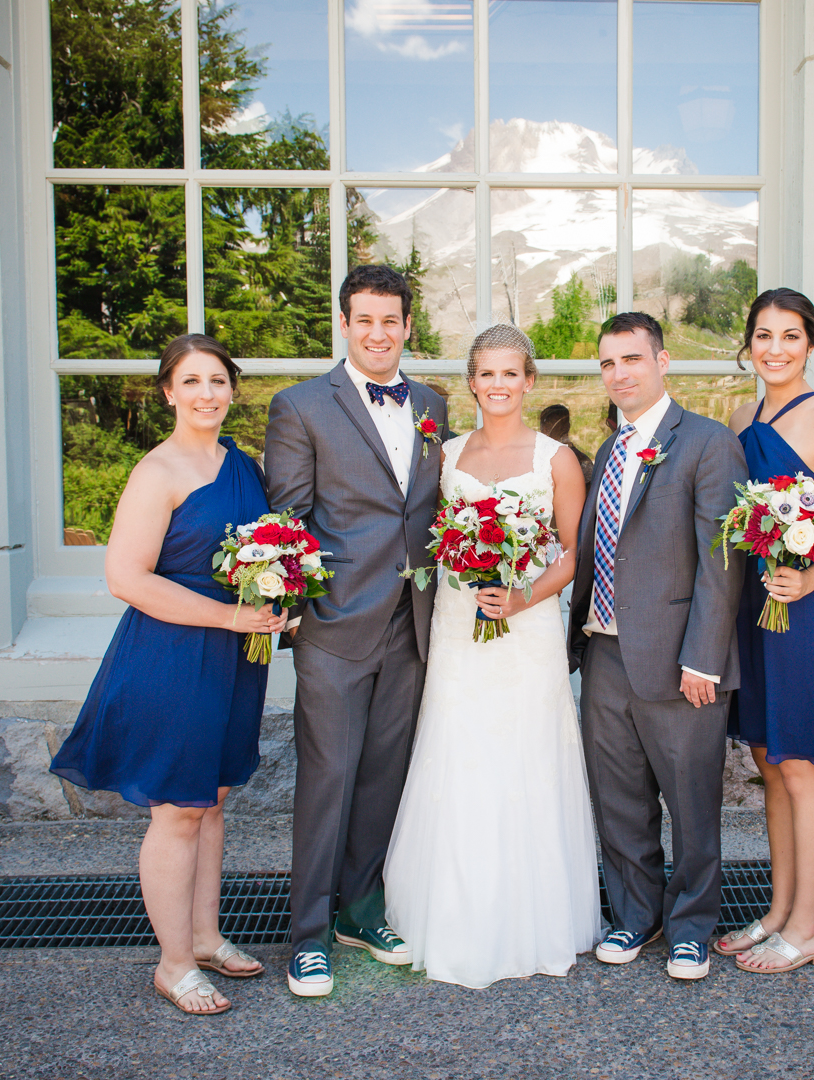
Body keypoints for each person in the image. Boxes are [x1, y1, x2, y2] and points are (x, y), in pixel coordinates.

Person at [51, 333, 283, 1015]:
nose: (206, 394)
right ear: (167, 392)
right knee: (178, 809)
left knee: (212, 798)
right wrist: (230, 617)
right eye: (191, 382)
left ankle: (205, 938)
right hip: (174, 652)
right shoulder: (157, 472)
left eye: (217, 381)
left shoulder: (242, 464)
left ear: (232, 389)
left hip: (234, 655)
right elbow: (126, 577)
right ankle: (174, 964)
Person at [384, 325, 600, 987]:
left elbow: (575, 553)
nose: (499, 385)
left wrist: (522, 595)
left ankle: (532, 919)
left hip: (526, 631)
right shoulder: (446, 455)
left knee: (527, 755)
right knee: (459, 752)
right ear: (472, 383)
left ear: (529, 381)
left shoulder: (556, 459)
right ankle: (453, 916)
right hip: (459, 628)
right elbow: (433, 537)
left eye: (511, 373)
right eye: (487, 374)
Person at [263, 265, 451, 997]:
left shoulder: (432, 404)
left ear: (407, 327)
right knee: (328, 780)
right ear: (344, 324)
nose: (378, 333)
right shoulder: (301, 406)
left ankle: (361, 913)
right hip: (337, 626)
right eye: (364, 320)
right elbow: (288, 521)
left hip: (414, 622)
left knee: (383, 777)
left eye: (390, 321)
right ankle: (308, 936)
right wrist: (302, 612)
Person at [568, 312, 747, 981]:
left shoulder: (705, 443)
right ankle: (635, 915)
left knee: (691, 801)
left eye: (632, 359)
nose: (619, 374)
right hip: (605, 651)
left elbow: (721, 560)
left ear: (662, 361)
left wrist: (704, 656)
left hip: (680, 660)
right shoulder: (609, 450)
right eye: (608, 363)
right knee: (619, 799)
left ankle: (692, 928)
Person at [715, 288, 814, 974]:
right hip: (751, 611)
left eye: (790, 336)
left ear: (810, 344)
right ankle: (779, 913)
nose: (774, 349)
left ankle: (810, 928)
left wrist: (806, 581)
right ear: (748, 343)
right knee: (769, 762)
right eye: (763, 335)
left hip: (800, 612)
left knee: (802, 766)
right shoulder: (739, 417)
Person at [539, 402, 594, 483]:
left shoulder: (581, 461)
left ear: (566, 427)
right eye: (543, 424)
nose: (545, 429)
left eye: (551, 424)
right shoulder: (538, 456)